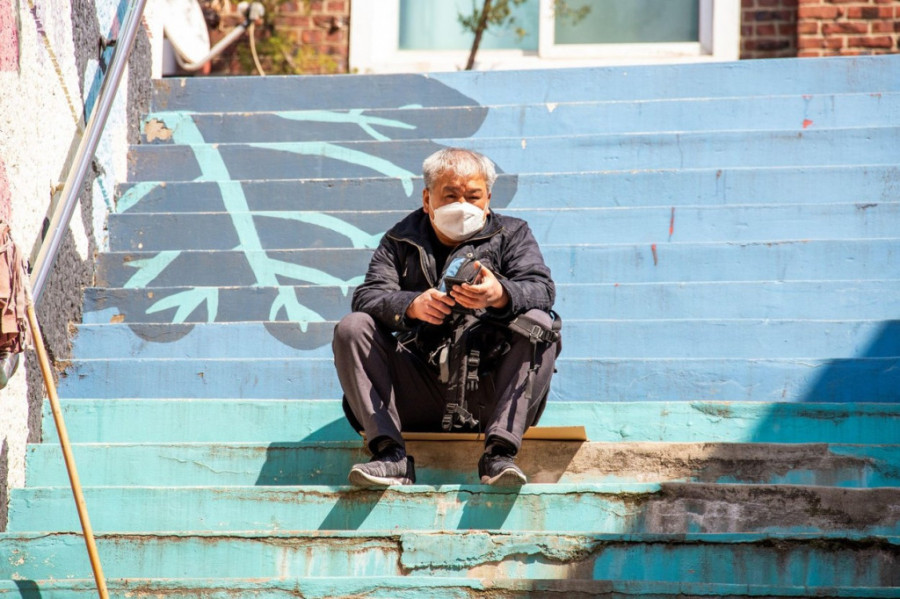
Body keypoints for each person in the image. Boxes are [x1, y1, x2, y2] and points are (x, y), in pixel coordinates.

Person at [332, 147, 560, 487]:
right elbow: (367, 296)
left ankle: (499, 455)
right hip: (418, 391)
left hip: (488, 391)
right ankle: (390, 456)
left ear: (488, 199)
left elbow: (542, 289)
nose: (463, 205)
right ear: (427, 199)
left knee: (541, 324)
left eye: (473, 196)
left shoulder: (512, 234)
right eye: (451, 195)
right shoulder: (399, 240)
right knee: (352, 327)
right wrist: (411, 305)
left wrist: (500, 294)